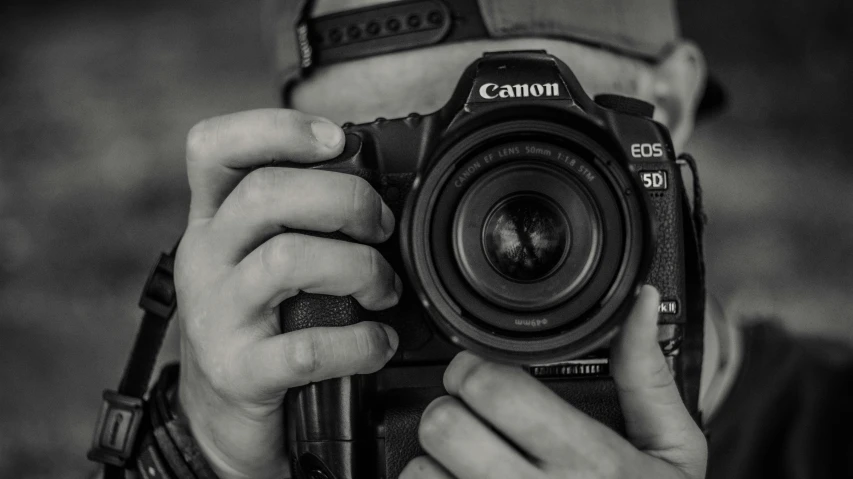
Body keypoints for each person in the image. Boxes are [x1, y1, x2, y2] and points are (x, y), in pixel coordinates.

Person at [113, 1, 853, 478]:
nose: (470, 241)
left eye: (516, 149)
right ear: (296, 172)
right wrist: (198, 454)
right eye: (399, 168)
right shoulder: (309, 438)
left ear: (665, 109)